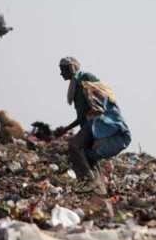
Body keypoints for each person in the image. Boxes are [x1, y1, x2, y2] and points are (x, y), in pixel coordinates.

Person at [54, 57, 131, 193]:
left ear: (71, 67)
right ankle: (100, 190)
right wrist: (66, 129)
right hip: (89, 124)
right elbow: (82, 116)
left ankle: (88, 181)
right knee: (88, 157)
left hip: (100, 121)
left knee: (74, 146)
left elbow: (102, 99)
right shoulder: (75, 87)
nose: (61, 74)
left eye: (63, 70)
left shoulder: (85, 78)